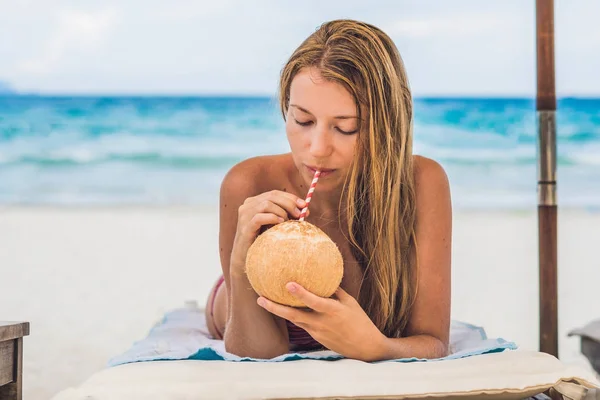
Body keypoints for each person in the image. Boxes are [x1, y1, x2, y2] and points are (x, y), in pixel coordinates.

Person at [204, 19, 452, 362]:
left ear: (388, 127)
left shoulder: (422, 182)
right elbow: (258, 355)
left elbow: (433, 342)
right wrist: (239, 265)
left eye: (346, 128)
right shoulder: (248, 183)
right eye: (302, 121)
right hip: (230, 309)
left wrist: (376, 348)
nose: (318, 149)